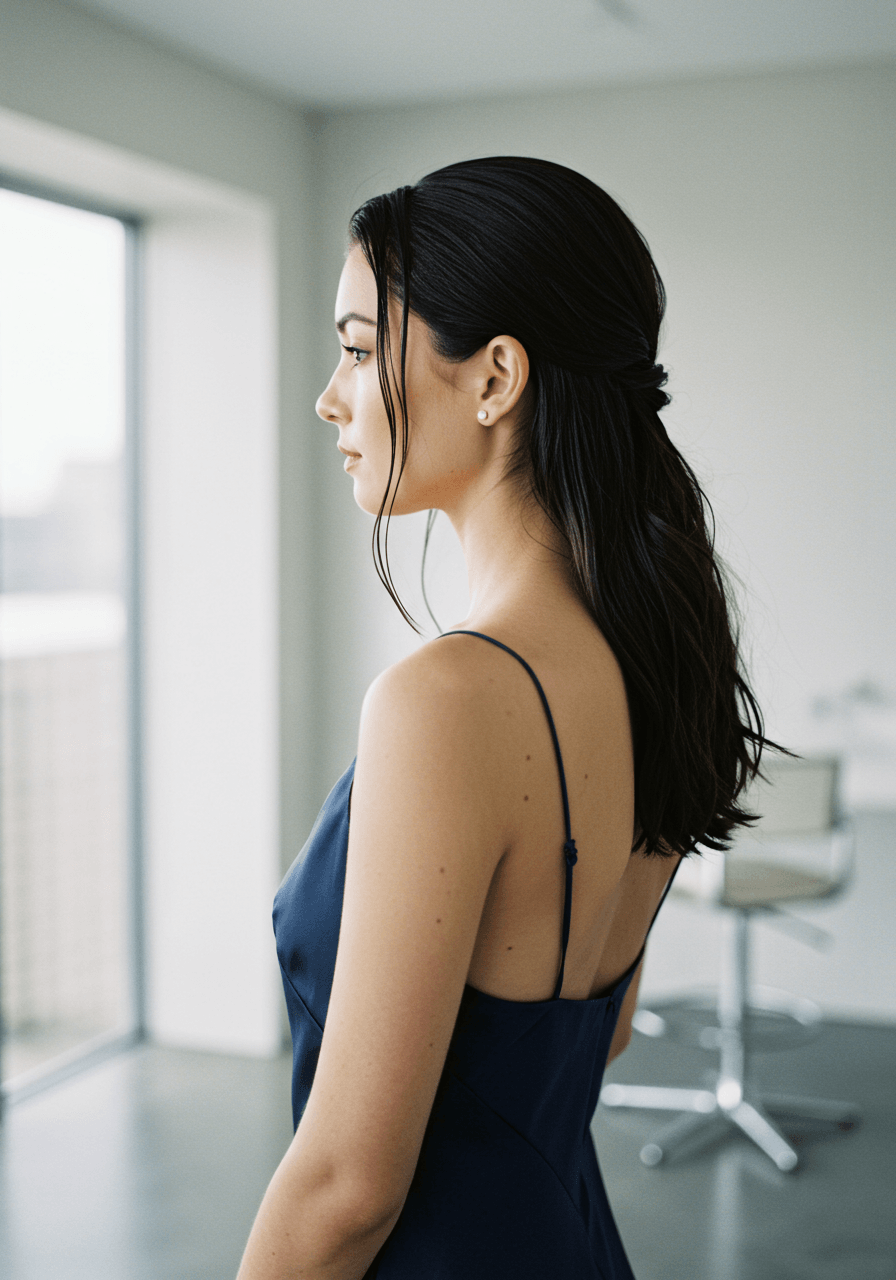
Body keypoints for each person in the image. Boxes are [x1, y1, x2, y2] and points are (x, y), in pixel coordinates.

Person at [237, 156, 786, 1280]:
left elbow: (345, 1185)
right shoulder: (655, 656)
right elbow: (602, 1029)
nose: (327, 394)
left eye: (353, 345)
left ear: (493, 377)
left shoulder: (446, 701)